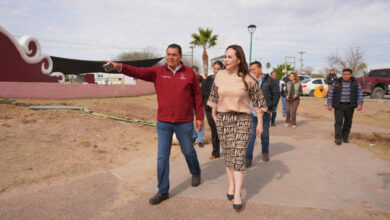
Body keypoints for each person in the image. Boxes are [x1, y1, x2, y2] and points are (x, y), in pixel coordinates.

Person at [103, 44, 203, 205]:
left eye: (174, 55)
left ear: (180, 57)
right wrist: (120, 66)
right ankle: (163, 191)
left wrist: (199, 117)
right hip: (163, 122)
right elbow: (138, 71)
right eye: (168, 54)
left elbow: (197, 97)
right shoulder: (158, 72)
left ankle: (196, 171)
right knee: (162, 157)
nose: (170, 57)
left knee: (188, 151)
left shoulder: (189, 73)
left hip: (184, 122)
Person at [208, 45, 267, 211]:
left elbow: (258, 101)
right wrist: (214, 114)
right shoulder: (219, 75)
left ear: (239, 59)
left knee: (239, 155)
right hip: (223, 119)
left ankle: (238, 193)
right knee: (228, 154)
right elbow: (214, 95)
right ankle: (231, 185)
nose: (225, 60)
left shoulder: (249, 78)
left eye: (229, 57)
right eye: (225, 57)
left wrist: (260, 122)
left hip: (242, 119)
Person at [245, 62, 280, 167]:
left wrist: (271, 108)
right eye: (251, 69)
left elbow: (276, 94)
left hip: (265, 113)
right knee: (251, 136)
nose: (252, 71)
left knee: (264, 135)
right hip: (251, 113)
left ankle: (265, 152)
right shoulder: (250, 80)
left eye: (254, 69)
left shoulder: (270, 81)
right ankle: (248, 158)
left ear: (260, 68)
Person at [327, 68, 363, 145]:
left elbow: (360, 93)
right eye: (344, 74)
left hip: (350, 106)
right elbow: (331, 93)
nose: (345, 76)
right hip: (339, 106)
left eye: (347, 75)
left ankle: (345, 137)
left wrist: (360, 104)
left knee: (348, 123)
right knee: (338, 122)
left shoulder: (355, 83)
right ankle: (338, 138)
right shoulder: (337, 82)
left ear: (351, 75)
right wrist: (329, 104)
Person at [202, 61, 223, 159]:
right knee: (214, 129)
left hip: (221, 109)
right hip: (209, 109)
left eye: (218, 69)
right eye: (215, 68)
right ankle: (215, 152)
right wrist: (212, 94)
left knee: (221, 130)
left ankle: (228, 150)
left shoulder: (225, 80)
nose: (216, 71)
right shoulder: (208, 79)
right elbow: (203, 91)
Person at [192, 66, 205, 147]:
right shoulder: (188, 80)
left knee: (200, 122)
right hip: (190, 105)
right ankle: (194, 135)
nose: (193, 73)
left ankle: (200, 140)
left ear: (197, 72)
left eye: (194, 72)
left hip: (200, 105)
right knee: (188, 122)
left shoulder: (203, 80)